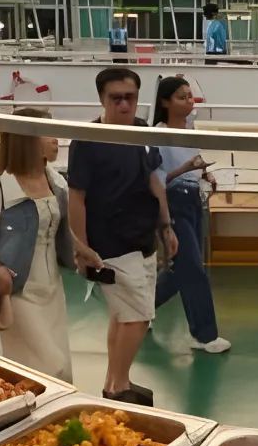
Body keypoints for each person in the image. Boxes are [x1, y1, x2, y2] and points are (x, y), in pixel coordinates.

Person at [67, 68, 177, 404]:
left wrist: (166, 225)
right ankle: (116, 388)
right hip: (110, 243)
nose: (125, 104)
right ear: (102, 99)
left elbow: (153, 181)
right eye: (117, 98)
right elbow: (76, 197)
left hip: (143, 237)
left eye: (130, 97)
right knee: (139, 315)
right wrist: (81, 246)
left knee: (123, 317)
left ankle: (117, 381)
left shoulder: (142, 132)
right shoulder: (86, 141)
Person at [0, 108, 74, 382]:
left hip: (53, 290)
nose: (56, 140)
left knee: (61, 368)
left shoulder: (56, 182)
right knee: (47, 367)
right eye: (47, 133)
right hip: (17, 293)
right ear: (26, 139)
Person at [151, 77, 229, 353]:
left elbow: (193, 164)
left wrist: (203, 173)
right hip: (173, 201)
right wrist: (185, 168)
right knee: (193, 269)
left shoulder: (189, 127)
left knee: (181, 269)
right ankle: (204, 335)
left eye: (190, 96)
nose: (189, 101)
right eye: (181, 97)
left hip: (193, 199)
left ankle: (143, 307)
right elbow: (158, 180)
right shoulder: (158, 135)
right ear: (164, 102)